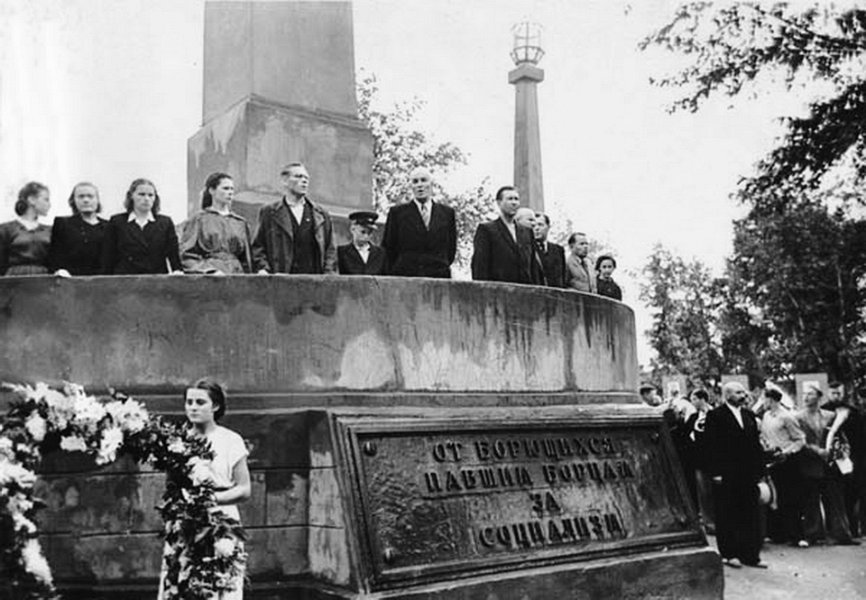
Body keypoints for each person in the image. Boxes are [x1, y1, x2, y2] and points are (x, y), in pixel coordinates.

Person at [158, 378, 250, 599]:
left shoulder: (230, 440)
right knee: (182, 583)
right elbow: (171, 488)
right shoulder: (176, 442)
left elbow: (244, 490)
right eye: (189, 402)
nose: (193, 407)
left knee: (219, 583)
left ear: (215, 406)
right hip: (186, 524)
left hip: (221, 522)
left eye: (200, 402)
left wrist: (211, 500)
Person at [704, 381, 767, 568]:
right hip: (726, 473)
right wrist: (715, 472)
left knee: (750, 512)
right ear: (728, 394)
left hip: (747, 473)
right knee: (727, 513)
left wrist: (760, 471)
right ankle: (729, 553)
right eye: (739, 392)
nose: (743, 395)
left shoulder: (749, 415)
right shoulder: (715, 415)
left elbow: (755, 446)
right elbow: (711, 446)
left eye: (743, 392)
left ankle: (751, 555)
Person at [796, 385, 858, 545]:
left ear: (818, 397)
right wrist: (817, 450)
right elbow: (800, 439)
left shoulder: (830, 415)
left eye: (810, 394)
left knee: (836, 499)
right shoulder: (798, 417)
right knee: (811, 500)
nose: (806, 397)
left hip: (830, 465)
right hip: (810, 462)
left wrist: (842, 451)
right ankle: (813, 534)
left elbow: (840, 436)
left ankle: (842, 534)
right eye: (805, 394)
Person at [251, 163, 336, 274]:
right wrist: (263, 269)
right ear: (285, 181)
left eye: (306, 178)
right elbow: (258, 247)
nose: (304, 181)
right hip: (281, 280)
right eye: (298, 176)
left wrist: (328, 275)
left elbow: (330, 250)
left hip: (314, 282)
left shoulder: (321, 215)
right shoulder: (270, 213)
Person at [381, 167, 457, 278]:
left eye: (423, 180)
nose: (419, 185)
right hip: (406, 277)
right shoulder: (397, 213)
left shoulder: (447, 213)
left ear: (431, 184)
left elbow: (450, 249)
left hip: (438, 276)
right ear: (411, 186)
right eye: (415, 181)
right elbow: (389, 248)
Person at [101, 178, 182, 275]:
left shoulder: (165, 223)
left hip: (156, 281)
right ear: (131, 196)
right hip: (125, 280)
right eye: (141, 194)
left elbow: (173, 254)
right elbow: (108, 255)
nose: (146, 199)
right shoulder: (117, 222)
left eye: (150, 195)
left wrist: (177, 272)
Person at [181, 173, 256, 274]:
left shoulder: (240, 223)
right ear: (212, 190)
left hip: (237, 276)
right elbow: (186, 256)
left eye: (232, 189)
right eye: (225, 188)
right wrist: (208, 270)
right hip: (211, 277)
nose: (230, 192)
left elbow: (247, 260)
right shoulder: (199, 220)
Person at [760, 387, 807, 546]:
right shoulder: (766, 416)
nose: (763, 402)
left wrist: (786, 452)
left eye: (764, 399)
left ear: (771, 400)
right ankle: (777, 533)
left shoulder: (787, 417)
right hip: (772, 460)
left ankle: (797, 535)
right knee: (774, 497)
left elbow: (800, 439)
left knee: (790, 497)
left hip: (788, 461)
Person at [471, 187, 539, 284]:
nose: (514, 203)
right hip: (499, 291)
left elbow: (533, 267)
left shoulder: (527, 232)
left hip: (525, 292)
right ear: (499, 203)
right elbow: (480, 267)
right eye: (509, 199)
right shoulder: (487, 230)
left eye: (516, 199)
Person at [824, 382, 866, 537]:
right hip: (830, 460)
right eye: (833, 393)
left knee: (851, 495)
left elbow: (860, 438)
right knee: (830, 498)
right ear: (828, 393)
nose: (836, 396)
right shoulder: (823, 410)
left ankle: (852, 529)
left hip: (850, 460)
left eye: (839, 393)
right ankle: (832, 529)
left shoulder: (853, 413)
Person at [48, 182, 108, 276]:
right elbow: (54, 255)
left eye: (90, 196)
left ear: (97, 200)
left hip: (103, 281)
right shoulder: (63, 224)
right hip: (71, 281)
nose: (86, 200)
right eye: (81, 196)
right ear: (73, 200)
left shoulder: (108, 226)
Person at [0, 181, 51, 276]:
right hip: (14, 280)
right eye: (46, 199)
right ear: (32, 200)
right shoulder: (6, 229)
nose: (49, 204)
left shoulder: (49, 231)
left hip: (43, 279)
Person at [337, 211, 387, 275]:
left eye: (369, 233)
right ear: (352, 229)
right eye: (362, 232)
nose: (366, 236)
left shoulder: (381, 254)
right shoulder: (342, 253)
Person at [533, 212, 566, 288]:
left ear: (548, 227)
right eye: (533, 226)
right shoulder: (528, 250)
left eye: (540, 225)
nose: (536, 228)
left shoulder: (558, 250)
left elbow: (562, 277)